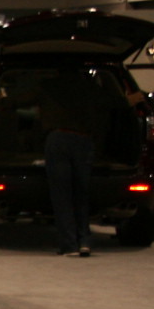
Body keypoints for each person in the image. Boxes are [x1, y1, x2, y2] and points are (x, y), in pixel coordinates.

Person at [36, 71, 113, 257]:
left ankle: (69, 244)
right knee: (81, 193)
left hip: (58, 139)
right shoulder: (91, 87)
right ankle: (84, 240)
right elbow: (112, 103)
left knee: (62, 194)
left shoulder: (49, 85)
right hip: (83, 140)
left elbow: (20, 101)